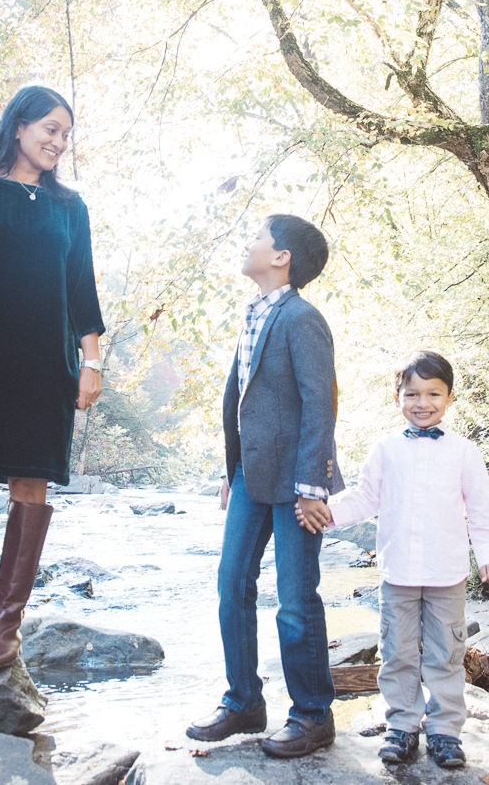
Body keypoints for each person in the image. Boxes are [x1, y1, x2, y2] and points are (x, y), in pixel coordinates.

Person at [0, 85, 104, 674]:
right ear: (18, 126)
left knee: (30, 490)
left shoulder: (70, 207)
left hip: (44, 367)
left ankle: (6, 625)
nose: (58, 142)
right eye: (49, 129)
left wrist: (91, 360)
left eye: (65, 134)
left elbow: (81, 287)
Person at [185, 214, 343, 759]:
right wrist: (232, 473)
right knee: (232, 584)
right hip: (251, 478)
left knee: (296, 601)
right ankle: (244, 701)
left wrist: (311, 486)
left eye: (256, 237)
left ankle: (312, 715)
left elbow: (319, 405)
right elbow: (241, 400)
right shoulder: (254, 313)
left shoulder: (301, 318)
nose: (248, 242)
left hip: (297, 481)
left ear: (281, 258)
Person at [306, 350, 489, 768]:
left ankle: (446, 731)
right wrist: (328, 514)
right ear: (397, 397)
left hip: (446, 572)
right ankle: (402, 726)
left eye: (434, 393)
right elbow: (365, 498)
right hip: (397, 573)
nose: (423, 403)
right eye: (412, 393)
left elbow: (483, 509)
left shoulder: (464, 452)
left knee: (446, 653)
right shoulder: (385, 449)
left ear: (449, 398)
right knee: (396, 652)